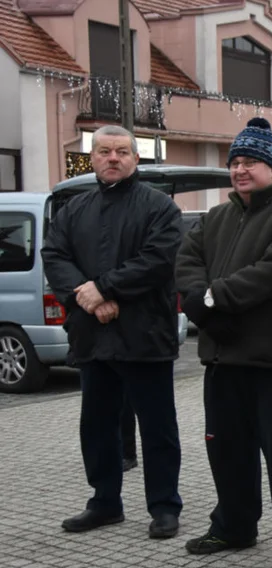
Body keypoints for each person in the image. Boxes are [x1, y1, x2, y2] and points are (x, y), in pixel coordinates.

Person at [176, 118, 272, 568]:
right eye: (236, 162)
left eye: (252, 162)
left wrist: (212, 298)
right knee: (226, 448)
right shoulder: (217, 217)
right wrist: (199, 297)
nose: (241, 170)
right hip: (222, 357)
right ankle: (234, 525)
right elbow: (186, 260)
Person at [42, 125, 183, 539]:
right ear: (93, 158)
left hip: (145, 334)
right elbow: (54, 254)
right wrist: (88, 298)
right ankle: (104, 502)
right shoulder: (74, 210)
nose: (113, 158)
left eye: (122, 151)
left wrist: (105, 287)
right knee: (97, 425)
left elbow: (158, 260)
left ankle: (164, 506)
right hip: (93, 336)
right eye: (104, 151)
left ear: (136, 159)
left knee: (157, 426)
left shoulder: (160, 207)